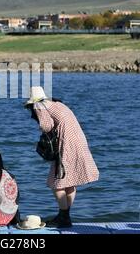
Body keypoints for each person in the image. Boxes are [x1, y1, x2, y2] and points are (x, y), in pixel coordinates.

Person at [25, 87, 99, 228]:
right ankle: (64, 216)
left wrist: (40, 128)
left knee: (56, 182)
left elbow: (46, 126)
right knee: (69, 181)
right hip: (78, 140)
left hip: (67, 144)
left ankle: (63, 216)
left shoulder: (39, 106)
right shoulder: (58, 104)